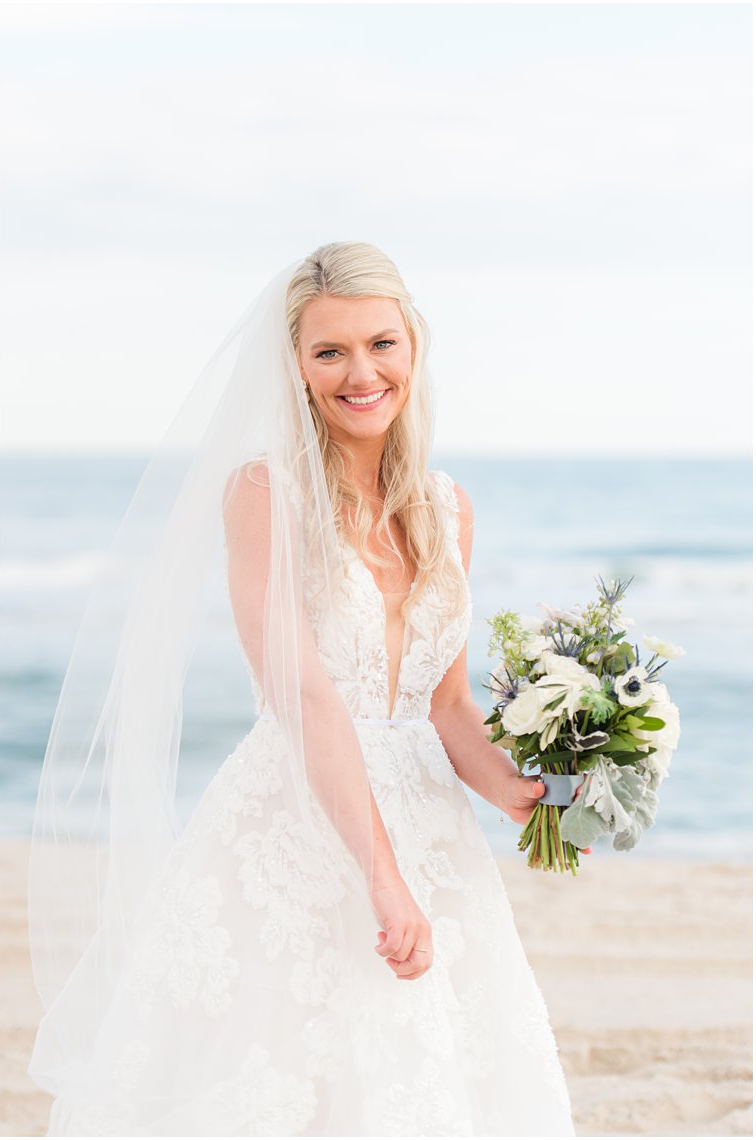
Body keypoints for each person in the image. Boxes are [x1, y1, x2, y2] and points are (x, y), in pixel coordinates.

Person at [29, 242, 573, 1134]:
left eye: (381, 344)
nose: (361, 373)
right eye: (329, 352)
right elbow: (307, 699)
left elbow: (445, 707)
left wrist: (520, 793)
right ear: (295, 367)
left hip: (434, 833)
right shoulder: (264, 494)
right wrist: (382, 878)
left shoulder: (448, 507)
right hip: (304, 826)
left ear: (413, 348)